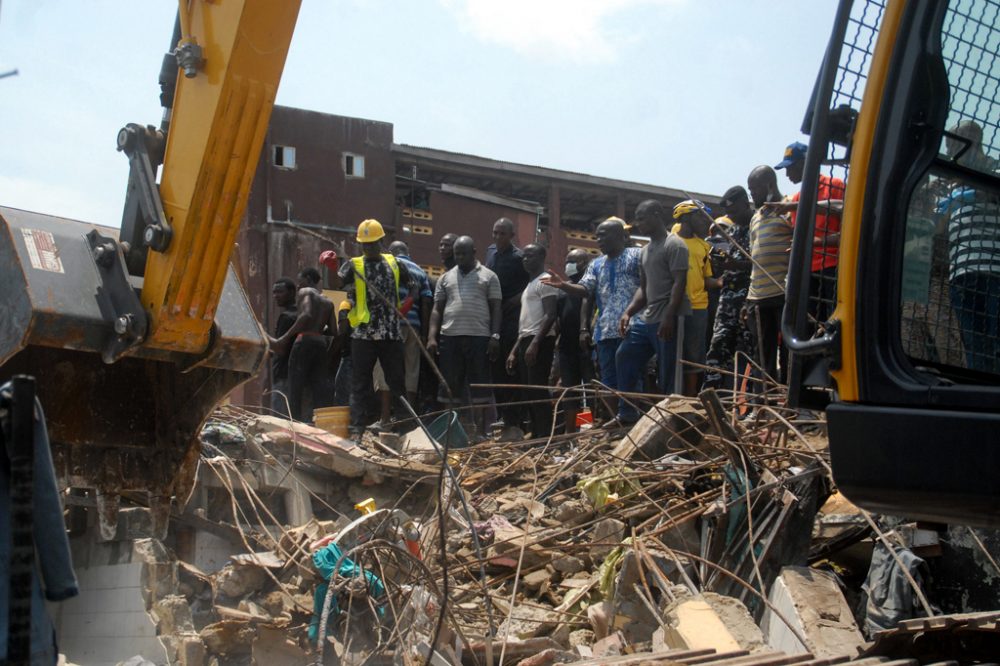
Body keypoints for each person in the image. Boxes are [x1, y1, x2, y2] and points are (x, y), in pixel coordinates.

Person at [542, 217, 642, 420]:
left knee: (631, 375)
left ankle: (632, 418)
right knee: (608, 380)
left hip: (632, 328)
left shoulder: (637, 256)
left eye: (604, 236)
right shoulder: (596, 265)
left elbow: (646, 286)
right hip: (605, 332)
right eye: (597, 237)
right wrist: (563, 285)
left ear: (620, 236)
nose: (599, 241)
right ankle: (618, 421)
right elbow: (585, 289)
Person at [337, 219, 414, 437]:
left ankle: (405, 428)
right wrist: (333, 269)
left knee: (397, 383)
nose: (368, 248)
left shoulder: (395, 263)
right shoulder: (353, 265)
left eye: (372, 243)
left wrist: (408, 303)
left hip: (390, 333)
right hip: (364, 335)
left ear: (381, 241)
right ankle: (357, 430)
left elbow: (413, 286)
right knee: (360, 384)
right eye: (365, 244)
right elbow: (342, 287)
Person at [615, 200, 690, 423]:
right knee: (624, 355)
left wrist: (669, 316)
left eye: (642, 217)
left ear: (657, 214)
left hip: (669, 317)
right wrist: (628, 312)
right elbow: (644, 288)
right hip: (648, 318)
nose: (638, 223)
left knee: (668, 371)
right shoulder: (645, 251)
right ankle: (627, 412)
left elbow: (679, 282)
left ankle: (671, 418)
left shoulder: (674, 245)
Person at [938, 120, 1000, 372]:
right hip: (961, 274)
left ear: (974, 142)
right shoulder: (951, 183)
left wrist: (973, 193)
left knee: (996, 341)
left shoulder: (993, 170)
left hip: (994, 270)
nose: (951, 152)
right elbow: (939, 228)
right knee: (974, 345)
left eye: (955, 145)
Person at [427, 236, 502, 437]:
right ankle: (449, 431)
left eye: (463, 253)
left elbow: (496, 307)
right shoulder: (445, 278)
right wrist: (432, 337)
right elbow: (437, 310)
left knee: (479, 386)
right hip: (450, 337)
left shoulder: (489, 276)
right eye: (457, 253)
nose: (459, 257)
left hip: (479, 337)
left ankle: (478, 431)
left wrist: (495, 335)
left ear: (473, 252)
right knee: (449, 385)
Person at [774, 141, 846, 323]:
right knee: (809, 326)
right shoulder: (797, 198)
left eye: (791, 167)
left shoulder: (835, 186)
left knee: (831, 323)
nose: (788, 174)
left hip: (832, 268)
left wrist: (814, 242)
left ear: (805, 164)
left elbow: (847, 232)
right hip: (806, 272)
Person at [368, 240, 433, 413]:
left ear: (391, 252)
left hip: (390, 325)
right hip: (414, 327)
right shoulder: (420, 271)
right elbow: (426, 301)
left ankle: (385, 419)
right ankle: (409, 418)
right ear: (408, 251)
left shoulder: (388, 265)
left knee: (385, 369)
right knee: (411, 370)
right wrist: (424, 333)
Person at [744, 166, 794, 387]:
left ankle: (788, 399)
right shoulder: (755, 218)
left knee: (788, 350)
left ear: (769, 186)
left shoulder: (789, 208)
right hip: (758, 295)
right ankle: (764, 402)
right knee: (762, 353)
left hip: (782, 291)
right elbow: (755, 259)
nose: (752, 195)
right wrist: (748, 298)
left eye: (754, 190)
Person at [269, 267, 337, 423]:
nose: (298, 285)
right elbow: (333, 331)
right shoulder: (328, 301)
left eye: (300, 281)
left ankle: (295, 425)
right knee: (317, 388)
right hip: (319, 343)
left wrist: (286, 337)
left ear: (308, 279)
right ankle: (321, 424)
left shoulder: (306, 292)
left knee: (295, 389)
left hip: (304, 340)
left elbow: (306, 314)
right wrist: (318, 330)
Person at [704, 187, 755, 390]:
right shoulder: (732, 231)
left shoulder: (757, 226)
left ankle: (752, 404)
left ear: (745, 202)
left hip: (749, 299)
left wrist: (739, 265)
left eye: (734, 212)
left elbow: (760, 263)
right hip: (728, 301)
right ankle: (713, 400)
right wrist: (721, 263)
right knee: (717, 349)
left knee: (752, 354)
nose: (731, 216)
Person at [506, 244, 559, 437]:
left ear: (542, 256)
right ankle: (536, 432)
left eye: (531, 256)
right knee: (528, 391)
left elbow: (551, 314)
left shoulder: (545, 281)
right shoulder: (530, 285)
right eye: (524, 257)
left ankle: (544, 435)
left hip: (540, 341)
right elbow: (526, 323)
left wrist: (536, 343)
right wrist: (514, 350)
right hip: (526, 340)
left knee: (538, 390)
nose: (526, 260)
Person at [485, 217, 531, 438]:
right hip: (494, 319)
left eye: (502, 233)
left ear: (512, 236)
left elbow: (534, 282)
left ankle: (514, 418)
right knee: (495, 371)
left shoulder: (520, 258)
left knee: (511, 370)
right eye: (494, 232)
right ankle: (503, 415)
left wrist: (517, 299)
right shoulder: (490, 254)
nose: (497, 237)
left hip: (513, 320)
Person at [672, 200, 722, 396]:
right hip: (673, 308)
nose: (704, 221)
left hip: (698, 307)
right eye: (700, 216)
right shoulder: (670, 242)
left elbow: (706, 279)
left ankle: (690, 397)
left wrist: (719, 282)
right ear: (686, 217)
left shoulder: (703, 246)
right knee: (673, 353)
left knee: (694, 355)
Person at [553, 248, 593, 432]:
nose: (568, 264)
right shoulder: (562, 290)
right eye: (567, 260)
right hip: (567, 348)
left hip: (587, 347)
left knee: (590, 392)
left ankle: (587, 427)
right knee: (571, 392)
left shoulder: (591, 287)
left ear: (584, 263)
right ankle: (571, 433)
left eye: (573, 261)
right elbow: (558, 319)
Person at [269, 277, 298, 417]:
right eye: (274, 292)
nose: (276, 296)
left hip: (283, 374)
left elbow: (280, 348)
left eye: (280, 292)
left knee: (281, 419)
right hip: (295, 373)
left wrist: (261, 333)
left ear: (292, 292)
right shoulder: (301, 314)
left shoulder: (287, 317)